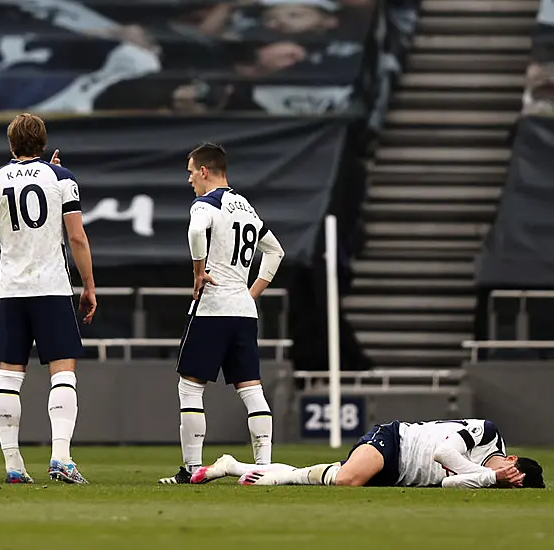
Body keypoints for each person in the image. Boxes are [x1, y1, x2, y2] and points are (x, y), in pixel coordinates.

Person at [0, 113, 97, 485]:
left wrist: (2, 217)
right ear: (43, 144)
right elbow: (76, 237)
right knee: (63, 372)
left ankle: (13, 465)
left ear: (11, 145)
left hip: (12, 290)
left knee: (9, 377)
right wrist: (88, 284)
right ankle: (60, 458)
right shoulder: (61, 177)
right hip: (52, 287)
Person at [159, 143, 285, 485]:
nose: (189, 181)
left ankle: (191, 469)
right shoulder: (246, 207)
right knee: (251, 389)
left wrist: (198, 272)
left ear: (204, 170)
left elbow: (196, 230)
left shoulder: (206, 203)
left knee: (190, 388)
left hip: (211, 308)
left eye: (190, 172)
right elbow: (276, 251)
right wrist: (251, 293)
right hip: (243, 311)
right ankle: (265, 468)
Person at [193, 418, 545, 489]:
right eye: (507, 474)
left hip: (400, 477)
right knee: (348, 479)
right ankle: (279, 476)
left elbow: (448, 486)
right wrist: (486, 474)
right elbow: (442, 452)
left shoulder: (489, 481)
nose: (501, 479)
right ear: (510, 459)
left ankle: (232, 465)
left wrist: (489, 480)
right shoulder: (488, 433)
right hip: (397, 441)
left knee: (335, 474)